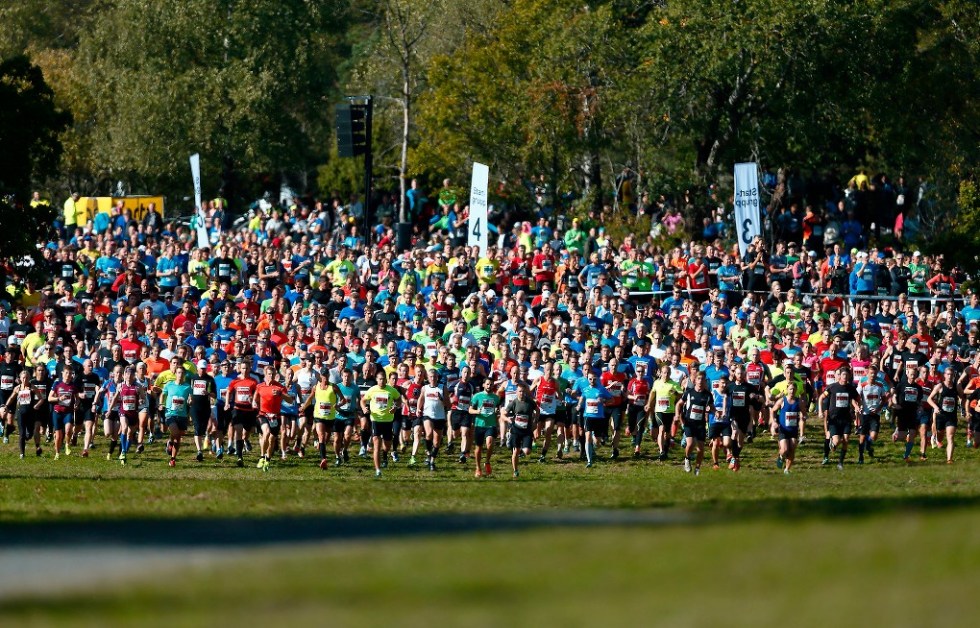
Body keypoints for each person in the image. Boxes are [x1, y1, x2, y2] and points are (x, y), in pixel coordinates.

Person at [819, 365, 861, 470]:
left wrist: (857, 407)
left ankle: (840, 462)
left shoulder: (851, 388)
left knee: (846, 440)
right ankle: (830, 449)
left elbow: (857, 398)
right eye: (843, 375)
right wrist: (820, 411)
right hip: (834, 418)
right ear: (839, 376)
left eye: (847, 375)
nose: (845, 377)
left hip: (846, 418)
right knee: (837, 441)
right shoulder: (832, 387)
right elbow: (821, 397)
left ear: (849, 376)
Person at [361, 370, 401, 477]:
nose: (381, 381)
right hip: (375, 420)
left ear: (386, 380)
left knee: (387, 446)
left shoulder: (391, 390)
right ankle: (378, 470)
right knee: (376, 446)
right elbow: (363, 400)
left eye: (383, 379)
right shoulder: (372, 390)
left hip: (388, 421)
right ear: (376, 380)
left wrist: (395, 407)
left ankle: (385, 455)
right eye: (380, 379)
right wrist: (364, 408)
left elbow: (399, 399)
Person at [253, 365, 293, 470]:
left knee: (272, 440)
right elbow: (255, 398)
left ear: (275, 375)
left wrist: (281, 394)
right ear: (265, 375)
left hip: (275, 416)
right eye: (269, 374)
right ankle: (262, 457)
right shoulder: (260, 386)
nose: (271, 376)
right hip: (263, 414)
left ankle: (268, 459)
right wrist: (254, 403)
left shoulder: (279, 387)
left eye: (273, 374)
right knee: (266, 433)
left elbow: (290, 400)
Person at [675, 371, 711, 475]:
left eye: (702, 379)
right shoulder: (689, 393)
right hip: (689, 423)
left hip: (700, 424)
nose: (700, 381)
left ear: (705, 381)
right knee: (690, 444)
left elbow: (711, 407)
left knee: (700, 449)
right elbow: (679, 404)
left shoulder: (708, 395)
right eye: (698, 379)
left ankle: (697, 468)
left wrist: (714, 411)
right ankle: (687, 459)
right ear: (695, 380)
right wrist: (677, 414)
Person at [225, 360, 258, 468]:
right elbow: (229, 391)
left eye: (247, 368)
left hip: (249, 410)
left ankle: (246, 440)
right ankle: (239, 456)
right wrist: (227, 403)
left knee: (247, 432)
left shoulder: (253, 381)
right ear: (240, 369)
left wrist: (253, 400)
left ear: (250, 368)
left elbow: (257, 395)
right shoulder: (235, 381)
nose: (245, 370)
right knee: (238, 430)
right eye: (243, 368)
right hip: (238, 409)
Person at [578, 370, 613, 468]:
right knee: (587, 436)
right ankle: (589, 461)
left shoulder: (601, 389)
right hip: (588, 416)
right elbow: (582, 398)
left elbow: (612, 400)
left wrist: (603, 401)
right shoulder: (585, 389)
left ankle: (594, 442)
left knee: (597, 442)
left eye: (594, 379)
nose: (592, 381)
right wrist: (579, 405)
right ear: (587, 379)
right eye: (590, 379)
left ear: (597, 379)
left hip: (599, 417)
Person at [160, 364, 191, 467]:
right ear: (175, 374)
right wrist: (161, 404)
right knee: (175, 432)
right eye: (178, 373)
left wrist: (191, 401)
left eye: (182, 373)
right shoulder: (169, 385)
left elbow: (191, 399)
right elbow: (163, 394)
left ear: (184, 374)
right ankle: (170, 442)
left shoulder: (188, 387)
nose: (180, 375)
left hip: (182, 415)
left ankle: (173, 459)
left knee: (178, 439)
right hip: (170, 413)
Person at [771, 380, 806, 474]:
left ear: (796, 390)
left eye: (794, 389)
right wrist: (774, 421)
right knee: (784, 450)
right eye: (790, 389)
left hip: (793, 430)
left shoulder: (799, 402)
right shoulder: (782, 400)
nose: (792, 391)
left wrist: (804, 417)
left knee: (792, 448)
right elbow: (773, 410)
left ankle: (787, 469)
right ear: (787, 390)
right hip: (783, 429)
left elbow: (804, 413)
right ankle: (781, 456)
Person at [503, 384, 537, 478]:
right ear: (516, 392)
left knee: (527, 452)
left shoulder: (530, 402)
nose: (522, 393)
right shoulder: (514, 402)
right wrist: (508, 419)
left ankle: (522, 447)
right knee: (515, 452)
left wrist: (535, 421)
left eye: (523, 391)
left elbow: (537, 410)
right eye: (520, 391)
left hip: (527, 430)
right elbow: (504, 414)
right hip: (516, 430)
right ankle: (515, 471)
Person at [469, 376, 500, 477]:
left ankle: (487, 462)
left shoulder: (496, 398)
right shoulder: (477, 396)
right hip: (479, 424)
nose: (489, 386)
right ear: (483, 385)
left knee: (490, 443)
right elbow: (470, 410)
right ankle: (478, 468)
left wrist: (497, 412)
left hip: (491, 424)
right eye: (487, 384)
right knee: (478, 448)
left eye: (491, 384)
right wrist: (477, 411)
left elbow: (498, 410)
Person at [417, 368, 448, 472]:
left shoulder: (442, 388)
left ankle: (432, 461)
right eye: (431, 377)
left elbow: (448, 404)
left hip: (439, 416)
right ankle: (428, 453)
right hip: (427, 415)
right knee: (429, 433)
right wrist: (418, 409)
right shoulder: (425, 388)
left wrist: (441, 398)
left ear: (437, 377)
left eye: (434, 377)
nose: (433, 378)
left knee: (437, 442)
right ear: (428, 378)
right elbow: (421, 398)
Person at [927, 367, 959, 464]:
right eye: (948, 374)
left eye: (951, 374)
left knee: (950, 436)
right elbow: (929, 399)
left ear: (953, 376)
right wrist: (935, 407)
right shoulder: (940, 386)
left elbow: (963, 397)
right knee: (940, 435)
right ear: (944, 375)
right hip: (941, 415)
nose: (949, 376)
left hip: (951, 416)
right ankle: (936, 439)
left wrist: (964, 407)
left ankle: (949, 459)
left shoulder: (956, 387)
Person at [48, 365, 79, 460]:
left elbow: (77, 398)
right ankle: (57, 453)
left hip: (68, 412)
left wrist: (76, 404)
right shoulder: (57, 383)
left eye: (70, 373)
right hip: (57, 412)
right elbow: (49, 398)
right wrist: (59, 398)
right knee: (58, 436)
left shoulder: (73, 385)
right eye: (66, 373)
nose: (68, 375)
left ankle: (67, 445)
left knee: (68, 429)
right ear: (62, 373)